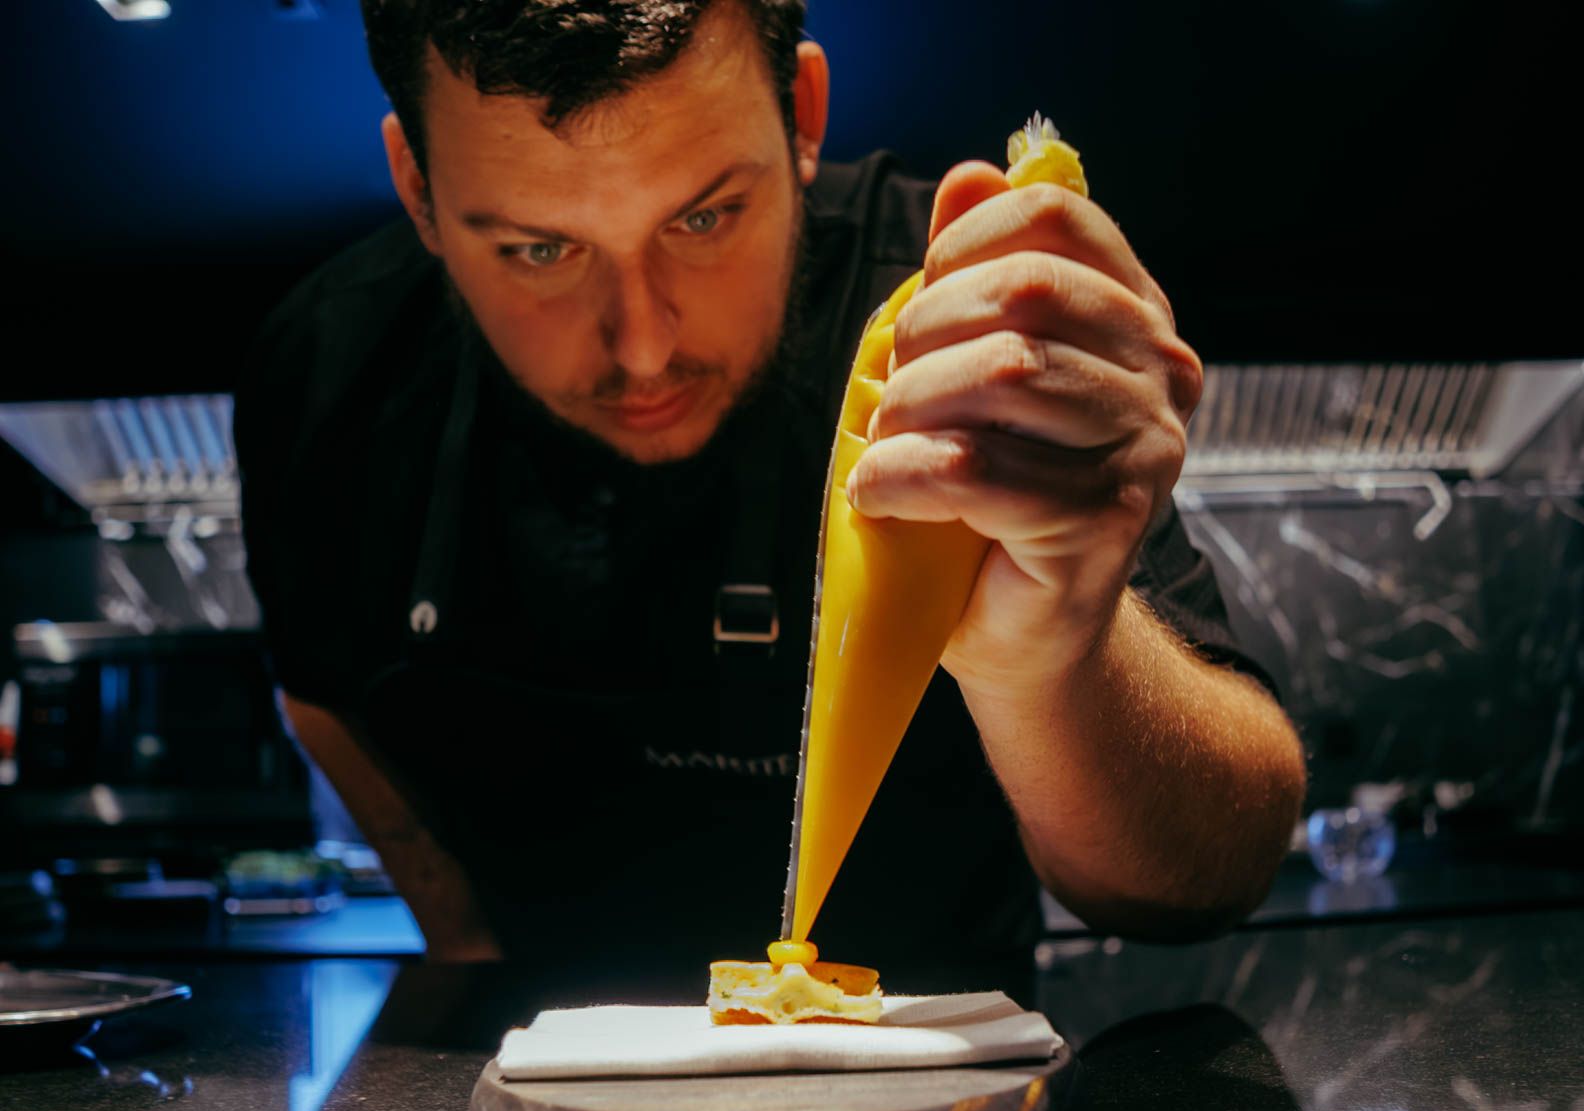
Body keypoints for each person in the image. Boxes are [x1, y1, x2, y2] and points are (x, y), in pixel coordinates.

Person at [234, 0, 1305, 992]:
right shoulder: (329, 375)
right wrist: (459, 936)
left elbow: (1205, 880)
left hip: (951, 1110)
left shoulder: (969, 343)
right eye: (538, 249)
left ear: (801, 117)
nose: (643, 346)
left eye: (704, 220)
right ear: (418, 189)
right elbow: (320, 695)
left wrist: (1054, 656)